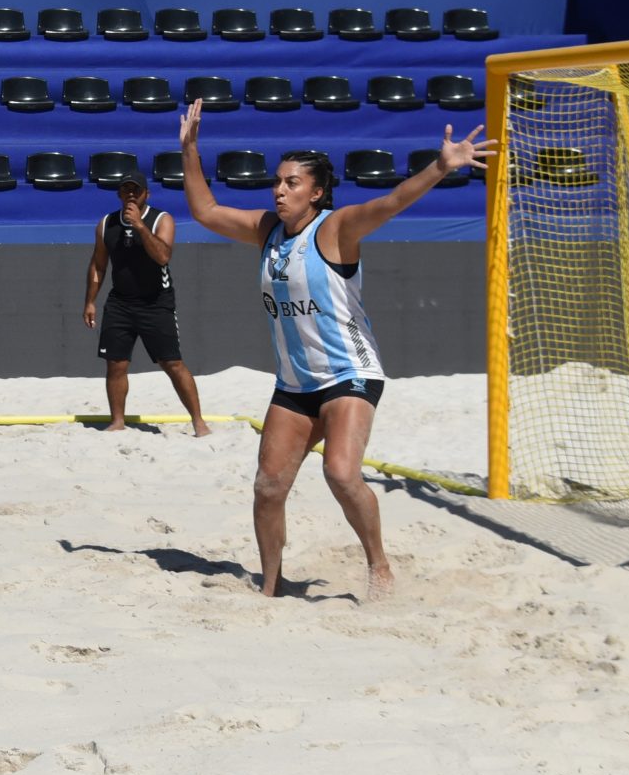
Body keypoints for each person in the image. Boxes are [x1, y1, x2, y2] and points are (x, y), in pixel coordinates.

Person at [177, 104, 495, 599]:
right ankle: (270, 586)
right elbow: (206, 212)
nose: (279, 190)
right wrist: (190, 149)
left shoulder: (335, 228)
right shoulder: (267, 231)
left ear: (317, 191)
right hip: (295, 383)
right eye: (277, 182)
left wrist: (440, 166)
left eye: (291, 183)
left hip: (350, 373)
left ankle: (379, 566)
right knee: (267, 488)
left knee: (341, 473)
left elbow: (390, 202)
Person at [82, 173, 209, 437]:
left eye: (136, 190)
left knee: (172, 363)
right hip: (120, 301)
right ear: (119, 194)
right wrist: (90, 301)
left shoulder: (161, 219)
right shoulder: (106, 223)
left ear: (146, 195)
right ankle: (117, 421)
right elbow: (98, 264)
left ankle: (198, 420)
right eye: (125, 190)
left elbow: (163, 256)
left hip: (156, 302)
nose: (130, 194)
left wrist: (140, 226)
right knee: (115, 363)